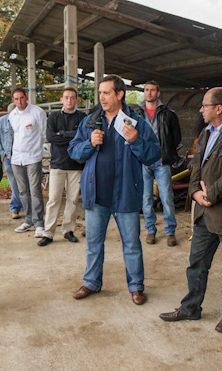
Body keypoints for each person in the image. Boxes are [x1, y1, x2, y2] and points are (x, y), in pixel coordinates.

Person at [159, 87, 222, 333]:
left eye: (204, 106)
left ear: (218, 109)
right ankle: (190, 308)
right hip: (204, 212)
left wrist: (208, 194)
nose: (200, 110)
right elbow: (195, 170)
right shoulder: (206, 133)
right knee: (196, 264)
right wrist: (195, 193)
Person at [68, 74, 160, 305]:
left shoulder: (135, 121)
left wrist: (136, 140)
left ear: (120, 94)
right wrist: (89, 143)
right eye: (100, 93)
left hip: (126, 193)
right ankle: (91, 282)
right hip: (97, 194)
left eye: (107, 92)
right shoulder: (90, 122)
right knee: (93, 243)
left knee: (131, 243)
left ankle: (136, 287)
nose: (102, 97)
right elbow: (73, 151)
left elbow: (154, 154)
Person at [132, 81, 182, 247]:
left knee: (166, 197)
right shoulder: (136, 114)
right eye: (146, 90)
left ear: (158, 93)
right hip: (143, 162)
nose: (149, 93)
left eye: (153, 90)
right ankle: (151, 231)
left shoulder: (168, 114)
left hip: (162, 161)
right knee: (146, 199)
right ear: (144, 92)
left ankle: (170, 232)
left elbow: (176, 138)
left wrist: (168, 154)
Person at [38, 88, 87, 246]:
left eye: (72, 98)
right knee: (53, 200)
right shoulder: (53, 116)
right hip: (57, 164)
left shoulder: (82, 117)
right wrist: (72, 135)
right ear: (61, 99)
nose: (69, 101)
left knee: (72, 200)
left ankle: (68, 230)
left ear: (76, 100)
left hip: (76, 165)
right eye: (66, 98)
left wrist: (62, 134)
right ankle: (48, 232)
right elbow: (51, 137)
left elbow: (83, 137)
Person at [8, 88, 47, 237]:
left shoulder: (37, 112)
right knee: (22, 191)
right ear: (13, 100)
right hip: (17, 158)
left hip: (33, 157)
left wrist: (38, 150)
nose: (19, 101)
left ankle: (39, 224)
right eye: (16, 99)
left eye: (22, 98)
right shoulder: (12, 115)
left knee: (35, 190)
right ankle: (29, 220)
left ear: (26, 97)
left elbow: (44, 134)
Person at [0, 107, 23, 219]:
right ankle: (15, 208)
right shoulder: (2, 121)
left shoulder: (24, 120)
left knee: (24, 183)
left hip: (23, 156)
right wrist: (3, 155)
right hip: (9, 157)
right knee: (14, 184)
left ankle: (21, 206)